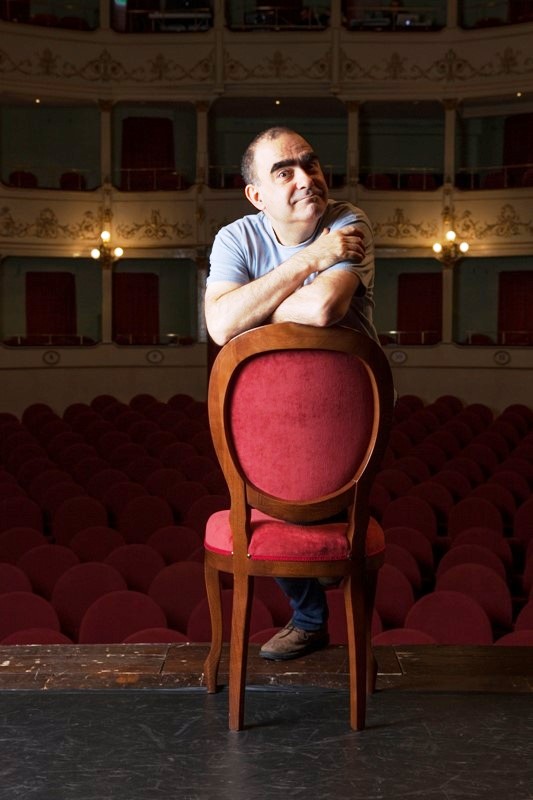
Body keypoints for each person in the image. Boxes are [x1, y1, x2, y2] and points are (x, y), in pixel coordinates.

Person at [205, 126, 379, 661]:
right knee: (268, 503)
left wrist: (252, 312)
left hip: (347, 413)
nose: (306, 179)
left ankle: (319, 587)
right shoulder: (235, 238)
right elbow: (220, 324)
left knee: (312, 514)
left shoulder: (348, 222)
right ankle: (309, 617)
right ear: (256, 195)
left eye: (311, 163)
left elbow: (324, 309)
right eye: (285, 172)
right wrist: (310, 260)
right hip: (267, 419)